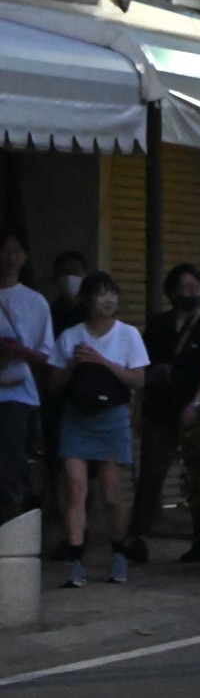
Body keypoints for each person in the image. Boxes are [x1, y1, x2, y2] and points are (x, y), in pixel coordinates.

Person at [48, 271, 147, 586]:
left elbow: (138, 380)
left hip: (112, 417)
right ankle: (76, 560)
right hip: (77, 418)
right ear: (87, 300)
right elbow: (52, 385)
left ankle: (118, 553)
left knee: (111, 495)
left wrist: (103, 361)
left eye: (113, 294)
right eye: (102, 294)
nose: (109, 299)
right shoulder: (71, 336)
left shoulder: (128, 334)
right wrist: (74, 364)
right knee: (76, 490)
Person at [129, 263, 200, 564]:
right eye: (183, 287)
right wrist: (138, 408)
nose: (190, 293)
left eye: (195, 287)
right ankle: (138, 537)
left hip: (196, 411)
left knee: (199, 475)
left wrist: (196, 403)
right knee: (151, 474)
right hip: (159, 409)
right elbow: (143, 369)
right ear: (171, 292)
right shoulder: (158, 325)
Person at [0, 223, 52, 524]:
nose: (9, 257)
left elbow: (45, 354)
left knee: (10, 464)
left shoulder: (35, 302)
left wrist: (17, 352)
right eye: (4, 250)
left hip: (17, 394)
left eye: (15, 251)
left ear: (25, 257)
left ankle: (13, 526)